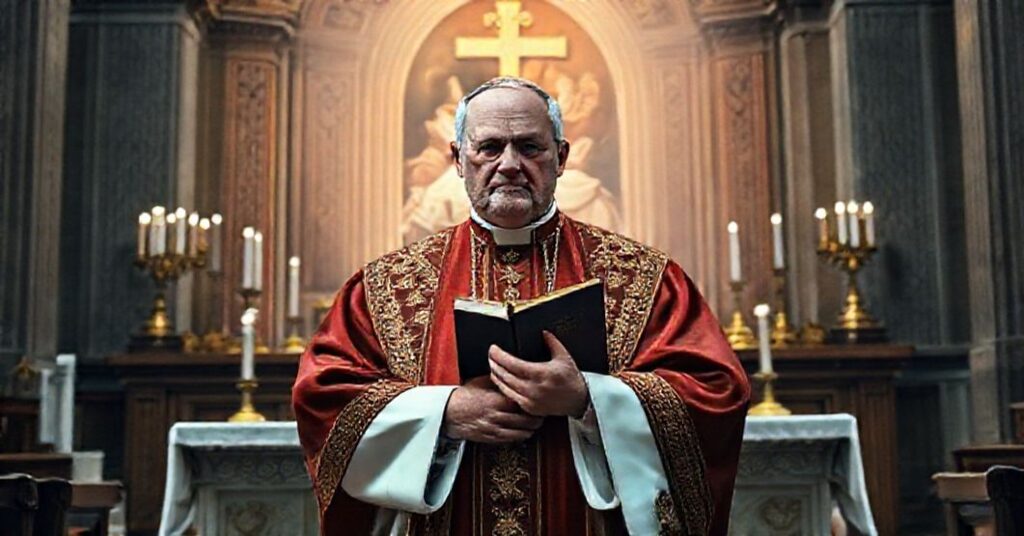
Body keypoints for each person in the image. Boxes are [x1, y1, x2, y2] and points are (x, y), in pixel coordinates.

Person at [293, 77, 750, 535]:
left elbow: (714, 392)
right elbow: (326, 396)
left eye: (529, 147)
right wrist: (443, 413)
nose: (509, 165)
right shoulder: (385, 285)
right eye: (489, 148)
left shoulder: (644, 277)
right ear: (458, 159)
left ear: (561, 157)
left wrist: (588, 399)